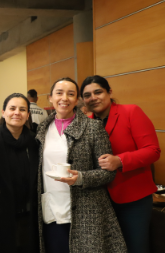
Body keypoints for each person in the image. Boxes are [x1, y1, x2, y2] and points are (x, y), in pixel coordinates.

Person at [36, 77, 126, 252]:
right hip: (51, 209)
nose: (65, 98)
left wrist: (81, 178)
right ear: (50, 98)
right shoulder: (42, 129)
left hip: (86, 212)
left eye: (71, 94)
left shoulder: (93, 128)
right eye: (59, 93)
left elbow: (108, 172)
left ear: (77, 100)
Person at [81, 75, 161, 253]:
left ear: (109, 92)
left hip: (133, 199)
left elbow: (153, 150)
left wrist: (120, 160)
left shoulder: (131, 112)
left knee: (135, 247)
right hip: (101, 199)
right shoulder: (86, 122)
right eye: (87, 95)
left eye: (98, 92)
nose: (93, 98)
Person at [0, 93, 39, 253]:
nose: (17, 113)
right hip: (1, 218)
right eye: (12, 108)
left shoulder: (35, 142)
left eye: (22, 109)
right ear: (3, 112)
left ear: (28, 114)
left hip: (29, 217)